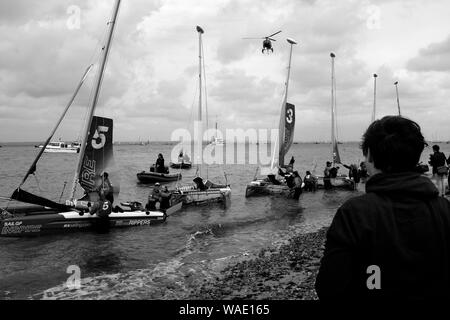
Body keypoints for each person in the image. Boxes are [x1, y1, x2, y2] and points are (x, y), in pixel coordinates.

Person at [315, 116, 450, 300]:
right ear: (416, 155)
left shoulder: (355, 213)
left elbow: (330, 287)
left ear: (369, 154)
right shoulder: (444, 209)